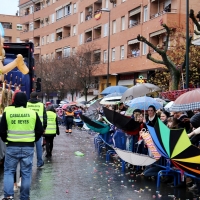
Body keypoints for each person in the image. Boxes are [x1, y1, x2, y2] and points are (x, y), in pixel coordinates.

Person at [0, 92, 43, 200]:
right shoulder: (32, 113)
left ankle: (8, 196)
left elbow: (1, 130)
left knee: (9, 171)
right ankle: (24, 197)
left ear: (14, 101)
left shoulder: (8, 113)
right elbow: (39, 130)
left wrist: (7, 140)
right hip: (28, 147)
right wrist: (33, 140)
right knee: (26, 173)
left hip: (11, 146)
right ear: (25, 101)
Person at [27, 91, 47, 168]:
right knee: (39, 146)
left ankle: (30, 162)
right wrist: (44, 127)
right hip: (39, 128)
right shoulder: (41, 105)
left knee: (30, 146)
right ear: (37, 97)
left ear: (30, 97)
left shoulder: (27, 104)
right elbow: (45, 118)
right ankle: (39, 162)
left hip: (29, 127)